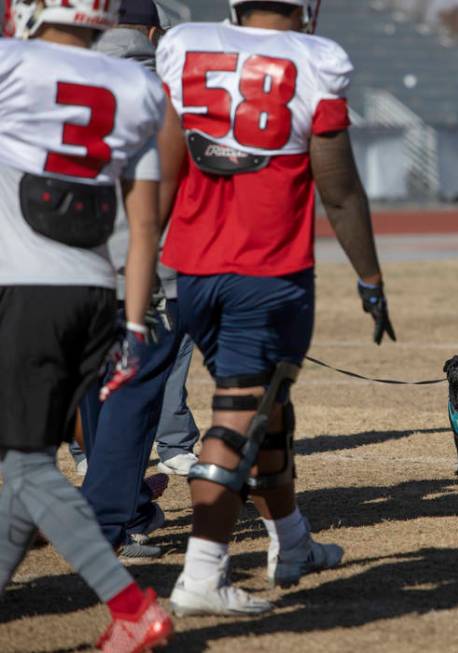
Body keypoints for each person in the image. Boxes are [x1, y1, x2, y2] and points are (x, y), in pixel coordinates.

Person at [156, 0, 395, 616]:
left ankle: (293, 544)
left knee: (268, 406)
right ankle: (202, 572)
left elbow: (162, 166)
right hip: (265, 270)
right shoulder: (316, 59)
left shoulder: (185, 44)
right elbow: (338, 188)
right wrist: (370, 277)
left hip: (193, 267)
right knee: (240, 411)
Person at [0, 1, 172, 650]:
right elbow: (144, 219)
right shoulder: (137, 83)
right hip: (99, 295)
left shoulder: (11, 62)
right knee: (28, 463)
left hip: (28, 288)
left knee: (29, 468)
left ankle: (130, 604)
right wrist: (131, 323)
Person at [74, 0, 199, 562]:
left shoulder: (61, 76)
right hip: (146, 264)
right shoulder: (163, 92)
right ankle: (117, 517)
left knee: (93, 390)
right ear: (153, 32)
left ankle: (121, 499)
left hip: (64, 264)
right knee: (138, 392)